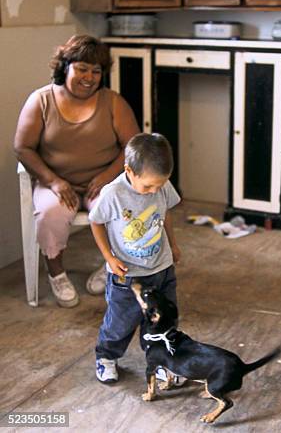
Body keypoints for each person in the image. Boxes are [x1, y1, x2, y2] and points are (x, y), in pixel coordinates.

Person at [14, 35, 140, 307]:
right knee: (50, 213)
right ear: (65, 67)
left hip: (102, 181)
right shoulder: (41, 100)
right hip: (56, 183)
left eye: (96, 71)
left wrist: (107, 176)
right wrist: (54, 181)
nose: (89, 77)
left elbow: (132, 145)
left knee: (120, 209)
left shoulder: (113, 102)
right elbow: (23, 148)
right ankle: (56, 273)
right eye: (82, 68)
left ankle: (110, 266)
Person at [88, 133, 182, 384]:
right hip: (127, 275)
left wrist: (172, 244)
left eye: (160, 185)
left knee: (164, 318)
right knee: (121, 321)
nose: (154, 191)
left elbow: (165, 214)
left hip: (161, 268)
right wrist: (109, 257)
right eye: (148, 186)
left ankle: (160, 360)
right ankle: (106, 356)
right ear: (129, 170)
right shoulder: (114, 193)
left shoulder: (161, 186)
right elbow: (96, 222)